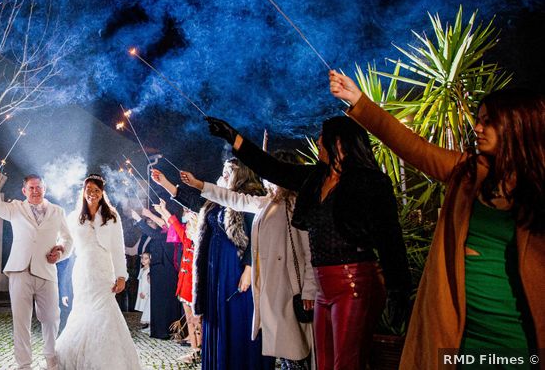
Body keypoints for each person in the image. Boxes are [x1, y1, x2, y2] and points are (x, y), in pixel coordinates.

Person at [329, 71, 545, 370]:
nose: (477, 128)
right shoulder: (466, 172)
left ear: (518, 127)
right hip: (461, 334)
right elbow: (411, 146)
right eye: (478, 119)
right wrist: (358, 101)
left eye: (488, 121)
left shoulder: (538, 189)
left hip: (519, 337)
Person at [205, 114, 411, 370]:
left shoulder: (369, 182)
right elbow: (272, 168)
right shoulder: (316, 178)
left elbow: (390, 238)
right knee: (323, 363)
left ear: (339, 144)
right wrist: (232, 137)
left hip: (354, 283)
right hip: (324, 285)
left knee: (346, 363)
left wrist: (398, 289)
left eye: (323, 137)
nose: (318, 141)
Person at [155, 152, 317, 370]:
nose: (222, 176)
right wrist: (184, 183)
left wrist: (249, 267)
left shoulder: (279, 202)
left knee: (289, 338)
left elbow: (296, 248)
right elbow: (213, 200)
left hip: (250, 270)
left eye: (227, 172)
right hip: (227, 272)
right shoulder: (247, 202)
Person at [0, 166, 73, 370]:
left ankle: (51, 358)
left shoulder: (57, 211)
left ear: (44, 188)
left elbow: (68, 239)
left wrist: (60, 253)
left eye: (39, 187)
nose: (35, 191)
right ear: (24, 190)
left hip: (47, 271)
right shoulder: (15, 207)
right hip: (19, 270)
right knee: (21, 320)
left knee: (51, 317)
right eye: (31, 188)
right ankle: (24, 364)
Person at [55, 174, 142, 370]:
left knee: (105, 313)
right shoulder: (74, 217)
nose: (92, 194)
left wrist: (121, 275)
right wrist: (58, 251)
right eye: (89, 190)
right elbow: (67, 245)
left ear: (102, 193)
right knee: (82, 312)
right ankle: (76, 357)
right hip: (83, 272)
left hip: (104, 271)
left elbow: (118, 248)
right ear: (83, 192)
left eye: (96, 190)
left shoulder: (112, 216)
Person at [151, 200, 201, 364]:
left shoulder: (202, 243)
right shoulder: (187, 239)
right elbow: (174, 222)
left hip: (196, 286)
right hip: (185, 285)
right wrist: (163, 210)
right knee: (190, 320)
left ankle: (202, 350)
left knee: (198, 320)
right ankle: (195, 351)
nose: (187, 227)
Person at [128, 206, 183, 340]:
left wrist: (139, 219)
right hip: (159, 271)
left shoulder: (171, 233)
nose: (160, 222)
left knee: (164, 302)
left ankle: (166, 330)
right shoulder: (165, 231)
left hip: (167, 272)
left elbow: (155, 233)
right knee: (158, 302)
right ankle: (159, 329)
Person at [134, 252, 151, 327]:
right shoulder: (142, 269)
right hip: (141, 290)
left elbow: (148, 283)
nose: (143, 260)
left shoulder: (149, 270)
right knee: (143, 306)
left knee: (147, 306)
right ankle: (147, 323)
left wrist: (145, 292)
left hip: (146, 292)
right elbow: (141, 280)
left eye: (146, 258)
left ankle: (148, 322)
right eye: (142, 258)